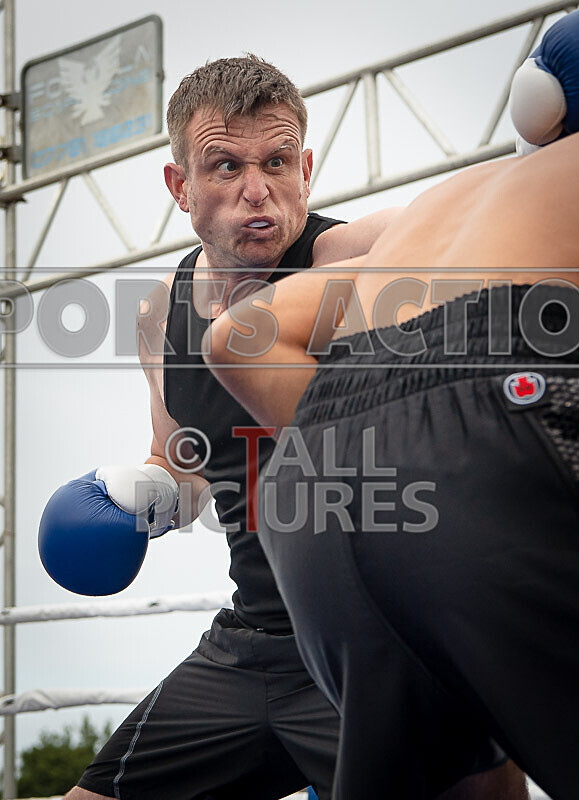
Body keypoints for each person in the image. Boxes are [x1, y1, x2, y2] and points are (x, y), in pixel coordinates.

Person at [38, 56, 524, 800]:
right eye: (225, 166)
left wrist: (544, 157)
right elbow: (182, 463)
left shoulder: (351, 259)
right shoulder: (158, 313)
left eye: (275, 163)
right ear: (180, 186)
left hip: (377, 642)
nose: (256, 190)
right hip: (248, 647)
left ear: (305, 170)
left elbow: (446, 228)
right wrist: (146, 494)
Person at [203, 15, 579, 800]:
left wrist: (390, 453)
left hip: (322, 504)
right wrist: (455, 458)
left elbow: (237, 335)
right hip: (490, 437)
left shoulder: (443, 206)